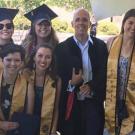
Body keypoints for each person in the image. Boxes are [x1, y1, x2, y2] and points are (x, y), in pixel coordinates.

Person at [55, 8, 108, 135]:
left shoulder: (100, 46)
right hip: (71, 104)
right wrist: (71, 83)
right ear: (72, 24)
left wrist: (91, 86)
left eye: (85, 20)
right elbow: (58, 76)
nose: (81, 23)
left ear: (90, 24)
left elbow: (104, 72)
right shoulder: (62, 48)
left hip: (93, 103)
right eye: (77, 19)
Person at [105, 8, 135, 135]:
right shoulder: (111, 42)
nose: (133, 27)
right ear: (124, 23)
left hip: (132, 102)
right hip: (112, 98)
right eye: (130, 22)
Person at [25, 45, 61, 135]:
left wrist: (53, 130)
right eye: (40, 56)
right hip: (26, 122)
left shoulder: (56, 80)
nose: (43, 60)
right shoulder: (25, 75)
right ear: (34, 57)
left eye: (48, 57)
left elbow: (56, 108)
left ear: (52, 60)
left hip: (45, 123)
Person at [0, 44, 34, 135]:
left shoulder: (27, 84)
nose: (13, 64)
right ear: (2, 60)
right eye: (8, 60)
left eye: (17, 60)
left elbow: (28, 116)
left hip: (16, 131)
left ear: (22, 63)